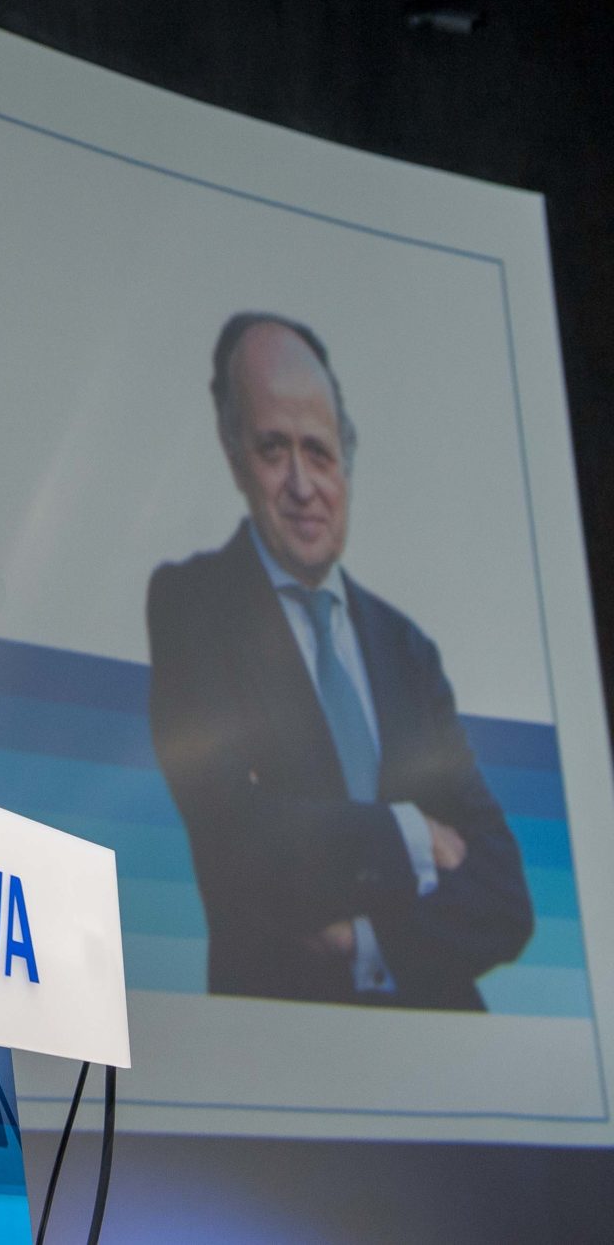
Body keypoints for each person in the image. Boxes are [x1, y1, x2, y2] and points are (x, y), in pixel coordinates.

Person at [145, 313, 534, 1009]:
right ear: (235, 454)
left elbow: (506, 896)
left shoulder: (407, 649)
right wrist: (413, 834)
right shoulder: (191, 606)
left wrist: (365, 944)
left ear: (347, 459)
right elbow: (237, 839)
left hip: (438, 1049)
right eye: (273, 450)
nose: (302, 485)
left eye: (319, 453)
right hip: (278, 1043)